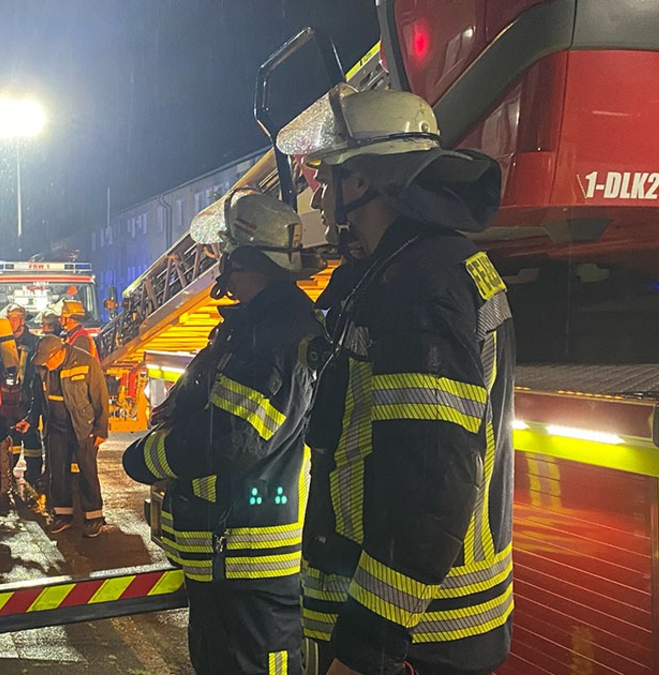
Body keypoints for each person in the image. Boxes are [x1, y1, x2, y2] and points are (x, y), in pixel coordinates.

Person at [278, 83, 515, 675]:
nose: (323, 198)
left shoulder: (418, 285)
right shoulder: (414, 267)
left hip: (418, 638)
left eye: (328, 180)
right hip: (423, 627)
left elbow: (428, 484)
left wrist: (365, 650)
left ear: (360, 182)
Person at [122, 189, 323, 675]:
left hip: (249, 560)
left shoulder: (274, 331)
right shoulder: (255, 326)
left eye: (224, 253)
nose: (220, 266)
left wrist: (146, 458)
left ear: (243, 257)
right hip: (227, 558)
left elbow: (232, 438)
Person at [16, 335, 108, 537]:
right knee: (57, 472)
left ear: (60, 352)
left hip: (83, 427)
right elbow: (38, 400)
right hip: (56, 428)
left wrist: (101, 430)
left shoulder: (86, 362)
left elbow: (100, 396)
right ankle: (62, 515)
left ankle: (94, 517)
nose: (46, 365)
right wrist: (30, 420)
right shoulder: (42, 368)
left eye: (48, 360)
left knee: (87, 471)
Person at [2, 303, 45, 486]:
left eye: (15, 319)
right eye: (9, 319)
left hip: (28, 396)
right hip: (9, 397)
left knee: (31, 436)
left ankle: (34, 474)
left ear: (22, 321)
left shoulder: (35, 342)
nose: (11, 323)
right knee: (10, 436)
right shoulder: (3, 341)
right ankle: (8, 471)